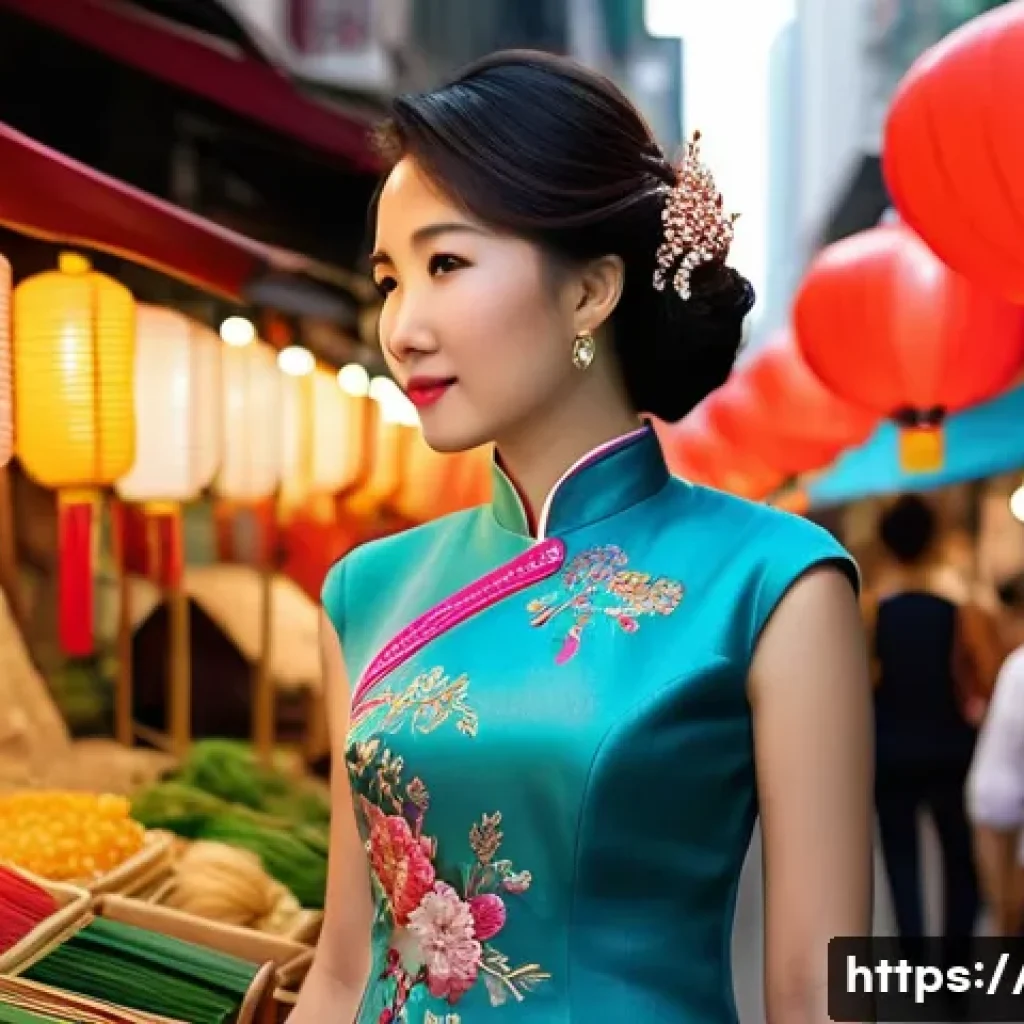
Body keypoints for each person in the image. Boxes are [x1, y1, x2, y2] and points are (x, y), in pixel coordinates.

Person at [289, 50, 873, 1024]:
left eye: (445, 264)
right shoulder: (365, 590)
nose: (402, 326)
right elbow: (345, 972)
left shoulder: (772, 585)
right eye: (391, 279)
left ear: (590, 293)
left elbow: (819, 992)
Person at [868, 495, 992, 957]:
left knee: (902, 859)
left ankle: (915, 956)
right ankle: (956, 959)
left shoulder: (870, 611)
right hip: (951, 750)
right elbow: (983, 677)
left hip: (891, 752)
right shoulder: (959, 610)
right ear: (935, 542)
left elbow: (861, 680)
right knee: (961, 861)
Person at [967, 571, 1024, 936]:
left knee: (1005, 912)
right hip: (997, 796)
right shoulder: (1017, 666)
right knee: (1006, 911)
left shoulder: (1018, 665)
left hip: (996, 794)